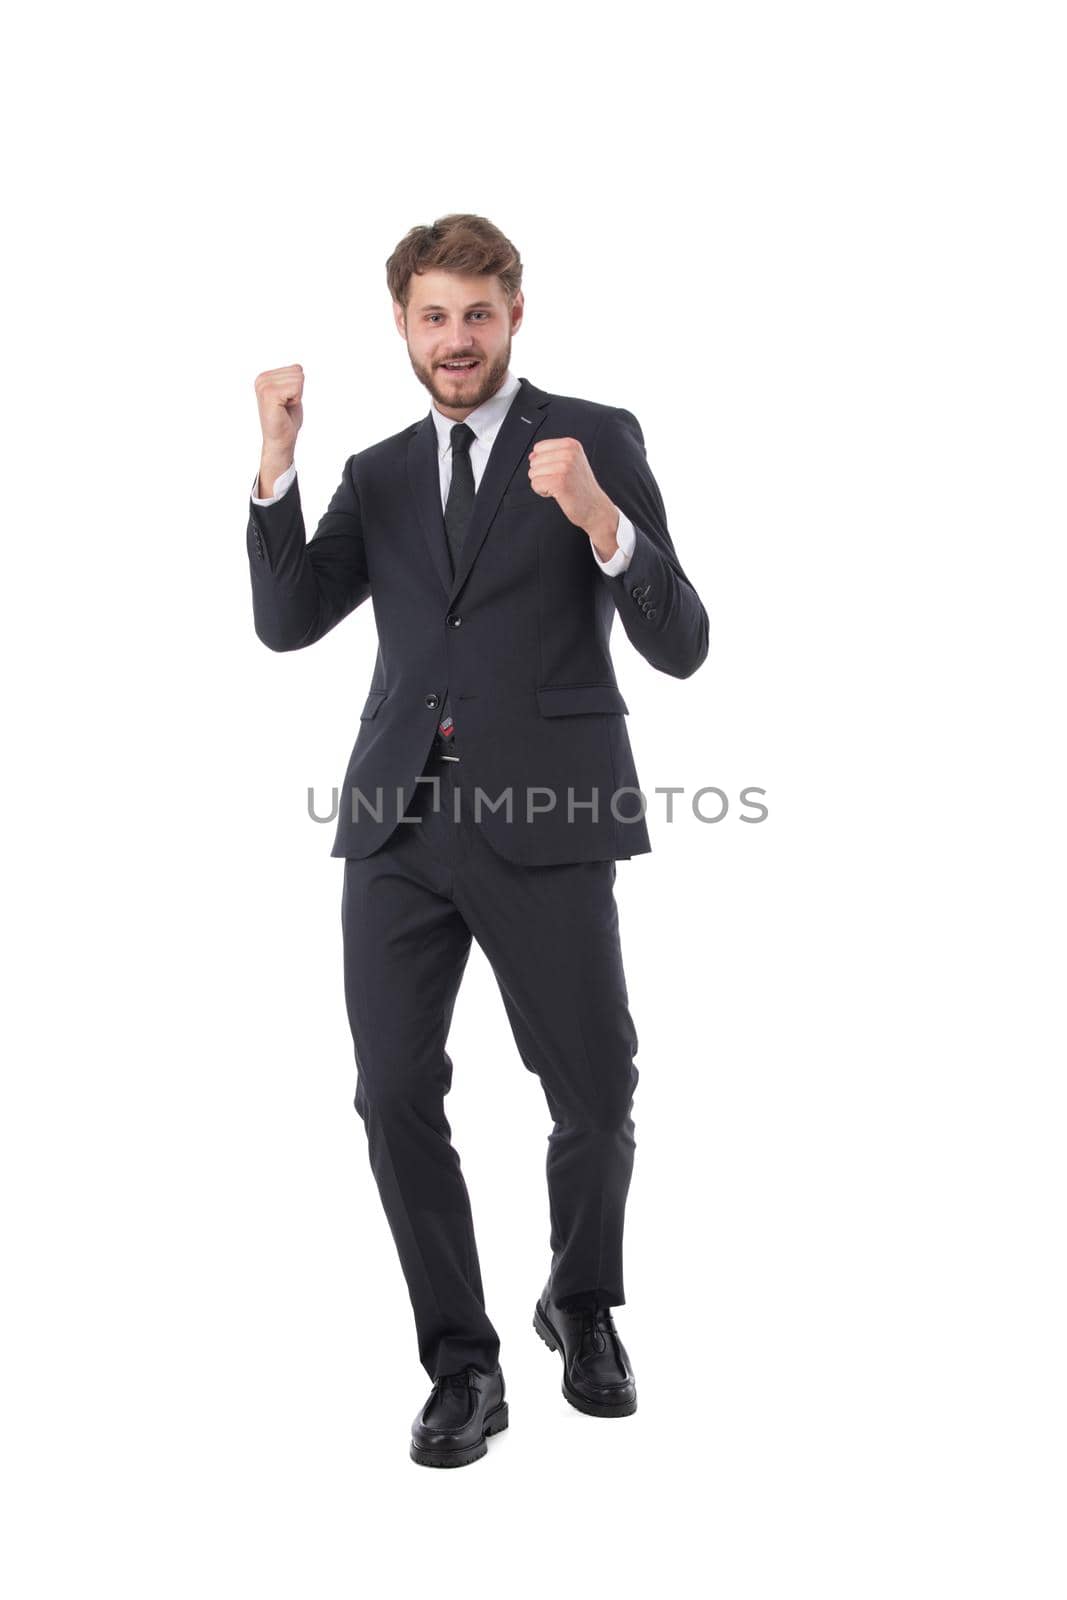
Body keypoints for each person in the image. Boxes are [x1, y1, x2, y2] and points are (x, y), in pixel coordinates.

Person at [246, 213, 709, 1468]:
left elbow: (682, 643)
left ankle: (581, 1302)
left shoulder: (592, 439)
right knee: (392, 1094)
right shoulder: (383, 469)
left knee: (594, 1090)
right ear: (400, 323)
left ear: (515, 318)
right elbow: (289, 622)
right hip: (396, 822)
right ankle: (461, 1359)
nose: (456, 340)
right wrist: (276, 463)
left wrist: (601, 522)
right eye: (433, 316)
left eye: (478, 316)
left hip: (549, 814)